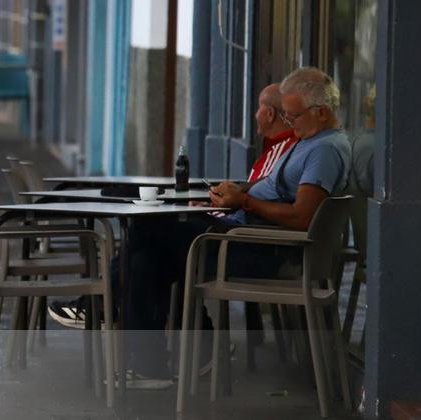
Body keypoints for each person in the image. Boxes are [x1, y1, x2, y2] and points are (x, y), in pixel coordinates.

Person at [119, 67, 351, 388]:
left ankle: (111, 305)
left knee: (148, 228)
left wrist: (244, 201)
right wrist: (238, 195)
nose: (289, 124)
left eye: (293, 116)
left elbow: (302, 218)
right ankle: (154, 366)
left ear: (321, 113)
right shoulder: (309, 140)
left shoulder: (325, 151)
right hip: (244, 235)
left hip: (264, 250)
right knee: (144, 259)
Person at [49, 84, 297, 329]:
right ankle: (183, 353)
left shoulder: (286, 152)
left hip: (244, 245)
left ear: (270, 113)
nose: (254, 114)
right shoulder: (283, 152)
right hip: (235, 235)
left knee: (149, 227)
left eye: (258, 108)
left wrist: (229, 204)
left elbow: (263, 207)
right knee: (143, 260)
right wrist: (216, 204)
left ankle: (98, 305)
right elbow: (253, 200)